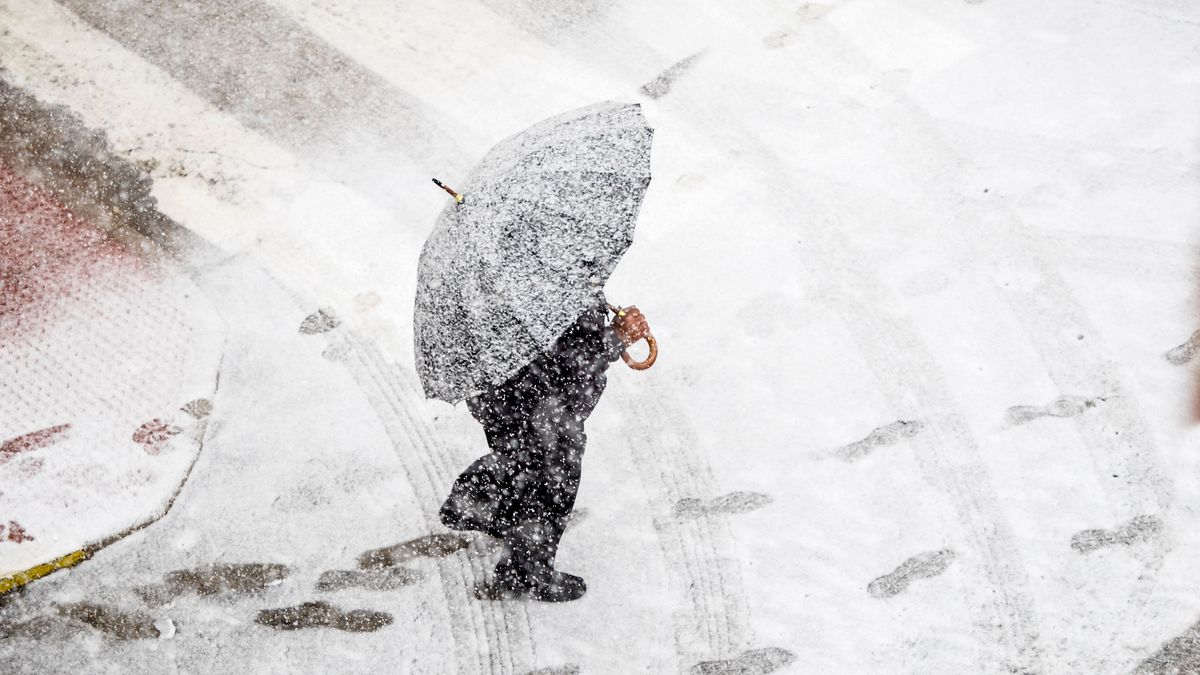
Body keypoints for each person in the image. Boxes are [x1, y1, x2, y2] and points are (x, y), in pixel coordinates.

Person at [438, 299, 650, 602]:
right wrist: (615, 338)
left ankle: (475, 501)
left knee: (519, 455)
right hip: (536, 401)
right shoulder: (548, 277)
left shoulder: (506, 282)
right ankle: (525, 573)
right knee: (553, 475)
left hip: (498, 392)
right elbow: (565, 364)